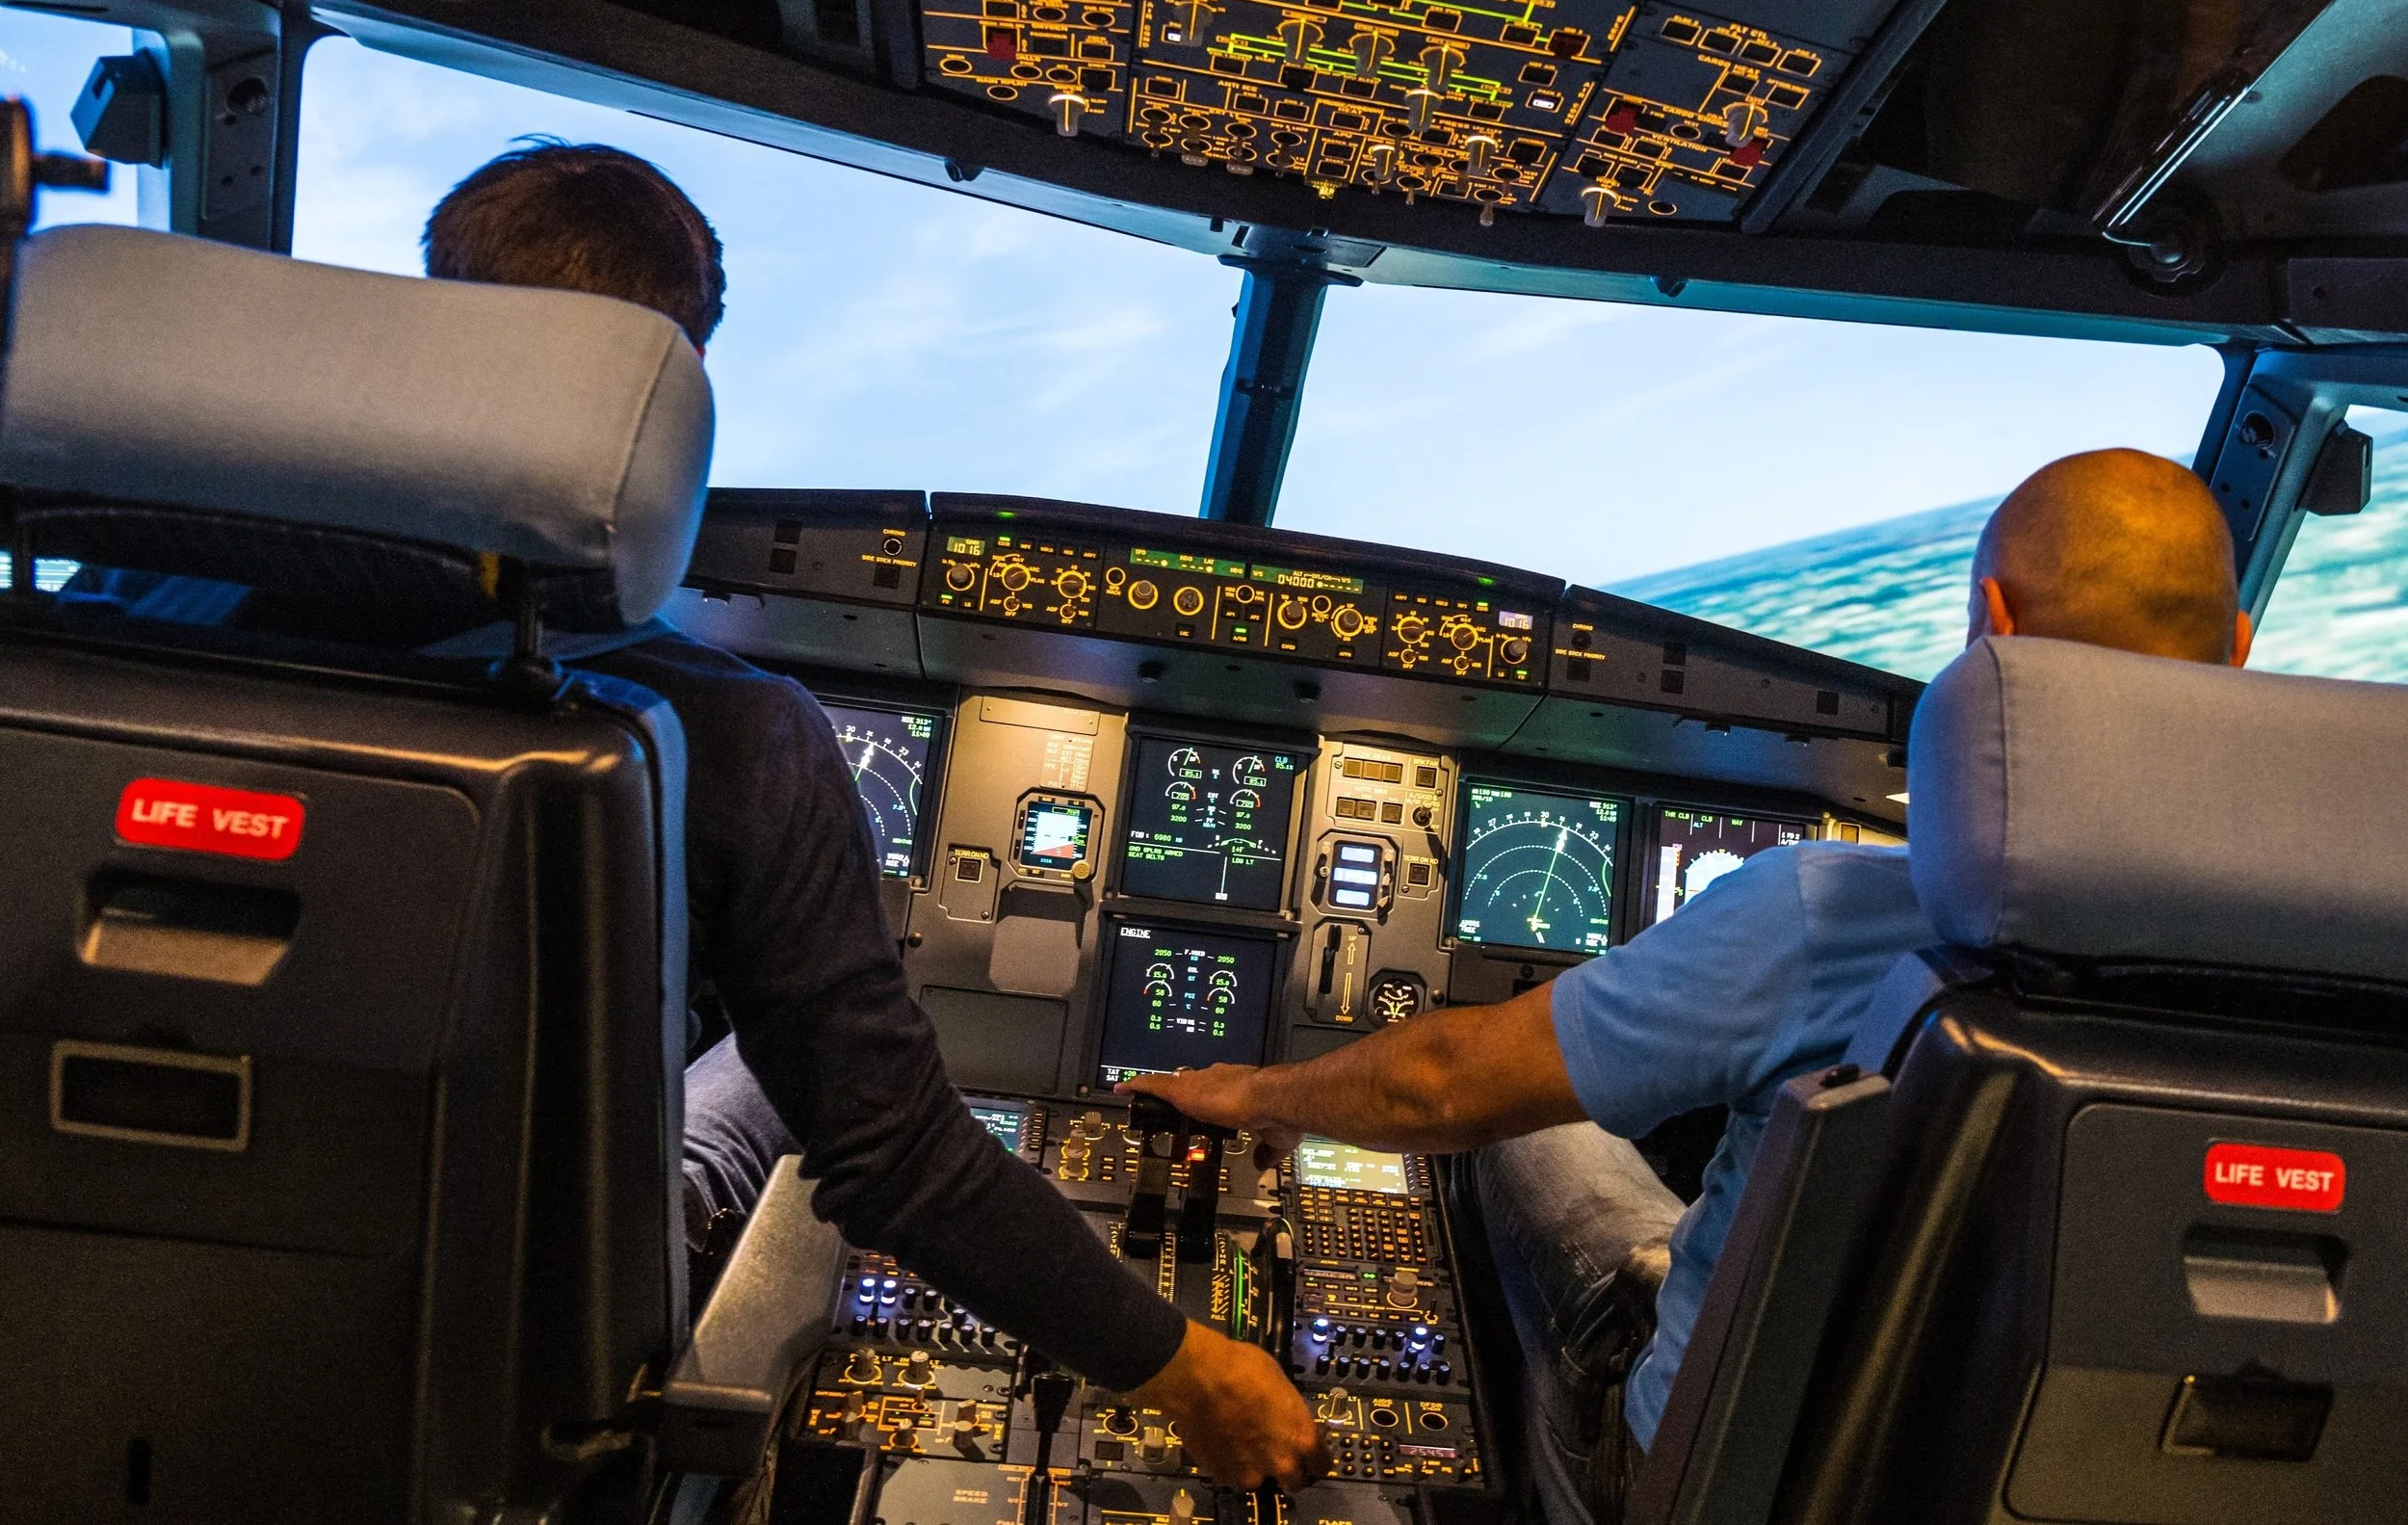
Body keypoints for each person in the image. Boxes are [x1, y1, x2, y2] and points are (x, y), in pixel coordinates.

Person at [424, 143, 1326, 1491]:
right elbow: (897, 1151)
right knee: (773, 1063)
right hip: (521, 1326)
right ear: (661, 405)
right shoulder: (722, 728)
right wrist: (1193, 1364)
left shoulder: (143, 614)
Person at [1122, 446, 2253, 1522]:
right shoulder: (2354, 944)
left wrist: (1255, 1095)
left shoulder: (1829, 914)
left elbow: (1436, 1085)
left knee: (1529, 1134)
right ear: (2239, 647)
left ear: (1993, 630)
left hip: (1714, 1482)